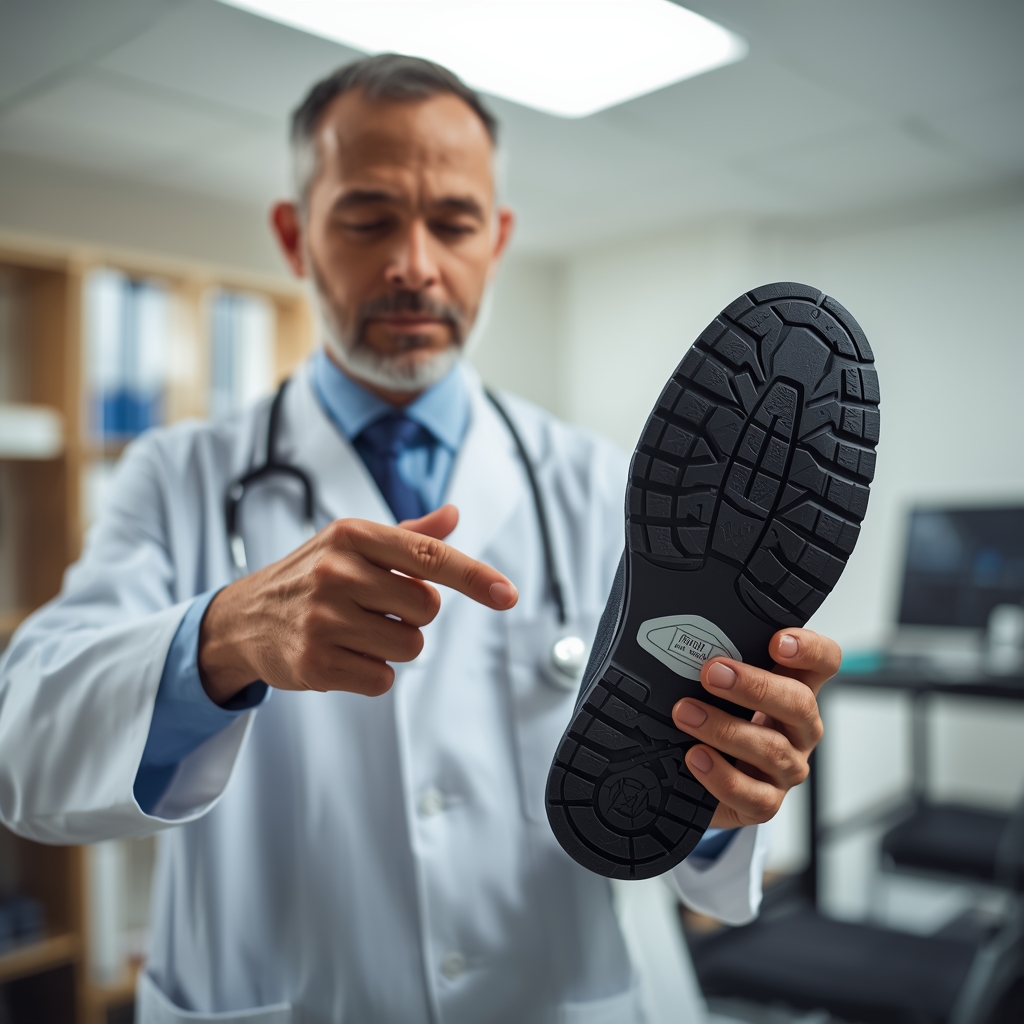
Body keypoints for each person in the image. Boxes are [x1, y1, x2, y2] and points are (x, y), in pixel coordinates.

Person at [0, 56, 839, 1023]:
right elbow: (25, 746)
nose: (413, 263)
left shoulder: (606, 482)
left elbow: (683, 816)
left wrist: (726, 784)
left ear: (498, 239)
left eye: (453, 221)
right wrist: (220, 637)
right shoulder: (177, 474)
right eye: (366, 218)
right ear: (294, 233)